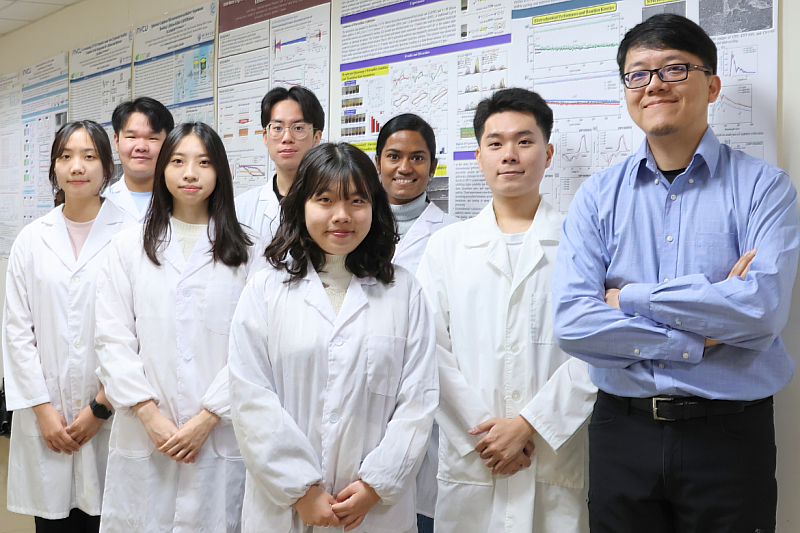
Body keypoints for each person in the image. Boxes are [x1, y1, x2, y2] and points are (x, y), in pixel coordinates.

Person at [552, 14, 800, 533]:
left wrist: (627, 298)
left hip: (729, 437)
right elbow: (574, 322)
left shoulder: (765, 189)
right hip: (622, 430)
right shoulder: (597, 196)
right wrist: (700, 334)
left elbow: (760, 311)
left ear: (711, 85)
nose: (654, 84)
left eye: (674, 68)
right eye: (637, 73)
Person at [228, 142, 438, 533]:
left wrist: (376, 485)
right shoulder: (265, 290)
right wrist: (301, 490)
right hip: (285, 507)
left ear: (374, 208)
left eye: (357, 201)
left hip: (374, 512)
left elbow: (419, 401)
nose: (341, 216)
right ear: (301, 205)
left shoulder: (405, 292)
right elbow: (250, 398)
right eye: (324, 200)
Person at [416, 88, 596, 533]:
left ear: (548, 152)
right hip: (474, 455)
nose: (509, 155)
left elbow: (597, 347)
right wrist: (489, 434)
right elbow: (427, 351)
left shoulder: (584, 241)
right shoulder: (446, 248)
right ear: (479, 156)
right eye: (495, 144)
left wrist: (529, 425)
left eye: (524, 141)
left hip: (552, 453)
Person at [94, 122, 265, 532]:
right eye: (178, 162)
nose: (190, 173)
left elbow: (257, 347)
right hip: (144, 433)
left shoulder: (251, 250)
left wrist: (208, 417)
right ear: (163, 170)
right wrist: (149, 415)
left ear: (220, 172)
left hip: (221, 435)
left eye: (204, 163)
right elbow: (112, 339)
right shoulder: (127, 247)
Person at [2, 121, 128, 532]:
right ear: (54, 168)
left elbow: (141, 332)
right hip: (47, 418)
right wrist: (42, 411)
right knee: (54, 523)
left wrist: (101, 406)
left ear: (107, 168)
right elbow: (17, 332)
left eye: (90, 156)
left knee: (111, 516)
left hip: (113, 414)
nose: (78, 166)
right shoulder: (31, 240)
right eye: (66, 157)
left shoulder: (132, 234)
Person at [374, 113, 459, 531]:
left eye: (417, 157)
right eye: (393, 156)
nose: (405, 168)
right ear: (377, 163)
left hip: (426, 398)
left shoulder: (453, 235)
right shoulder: (348, 227)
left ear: (432, 165)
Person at [235, 85, 324, 243]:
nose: (287, 138)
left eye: (298, 128)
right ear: (265, 137)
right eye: (277, 128)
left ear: (316, 137)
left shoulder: (334, 204)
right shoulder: (241, 208)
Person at [105, 97, 175, 222]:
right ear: (116, 141)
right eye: (132, 137)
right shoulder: (102, 202)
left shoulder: (182, 200)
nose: (141, 147)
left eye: (152, 138)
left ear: (169, 144)